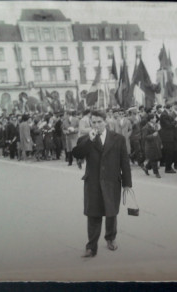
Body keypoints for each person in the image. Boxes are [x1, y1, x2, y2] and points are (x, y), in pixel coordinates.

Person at [72, 110, 132, 258]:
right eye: (94, 122)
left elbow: (124, 162)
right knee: (93, 214)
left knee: (111, 212)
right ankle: (91, 247)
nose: (97, 125)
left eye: (99, 122)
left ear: (106, 122)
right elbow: (77, 154)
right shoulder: (85, 139)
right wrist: (89, 141)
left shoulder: (118, 139)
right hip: (93, 182)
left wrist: (127, 183)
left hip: (112, 181)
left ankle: (110, 238)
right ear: (90, 123)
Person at [141, 113, 162, 178]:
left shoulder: (155, 125)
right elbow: (145, 137)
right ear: (151, 119)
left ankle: (146, 168)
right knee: (154, 159)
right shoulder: (146, 127)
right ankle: (156, 173)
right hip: (150, 146)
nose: (156, 119)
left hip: (156, 144)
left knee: (154, 158)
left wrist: (160, 143)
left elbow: (158, 135)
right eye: (154, 118)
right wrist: (152, 135)